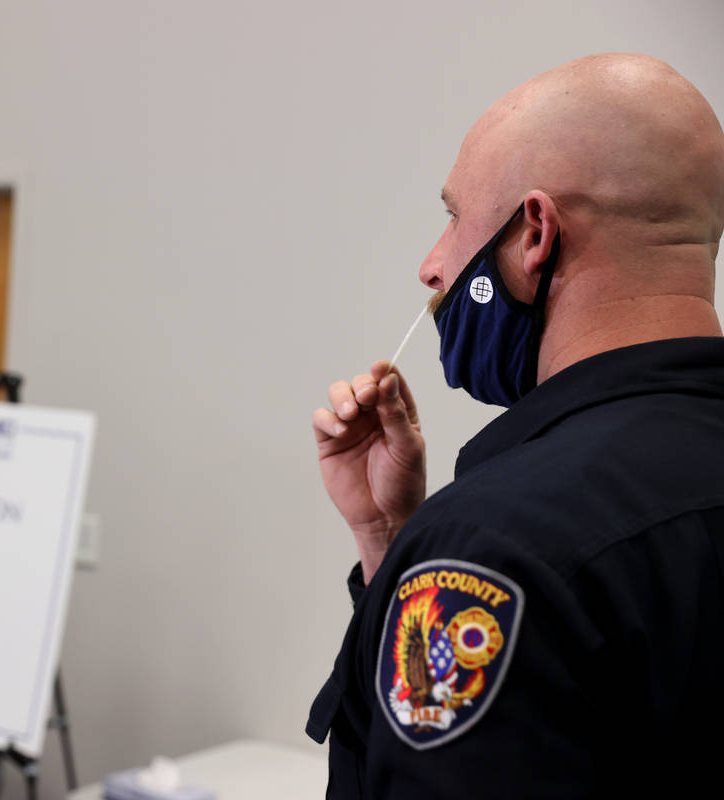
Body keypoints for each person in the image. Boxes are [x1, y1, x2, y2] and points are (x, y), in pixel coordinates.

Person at [306, 53, 724, 797]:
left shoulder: (493, 544)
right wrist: (390, 543)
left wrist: (438, 548)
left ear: (534, 233)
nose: (434, 266)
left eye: (454, 217)